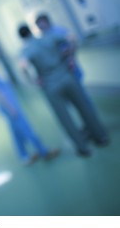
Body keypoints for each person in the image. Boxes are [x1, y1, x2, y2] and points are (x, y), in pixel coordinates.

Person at [18, 24, 109, 157]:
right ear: (31, 31)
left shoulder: (26, 49)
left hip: (50, 86)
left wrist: (33, 81)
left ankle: (83, 148)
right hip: (67, 76)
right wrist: (71, 57)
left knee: (65, 119)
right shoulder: (48, 37)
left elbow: (23, 67)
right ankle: (101, 137)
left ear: (21, 37)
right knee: (84, 108)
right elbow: (71, 37)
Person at [0, 49, 59, 165]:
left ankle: (24, 156)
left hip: (9, 105)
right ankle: (43, 152)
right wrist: (11, 108)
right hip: (9, 106)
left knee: (16, 133)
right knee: (26, 129)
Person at [35, 13, 83, 82]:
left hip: (68, 62)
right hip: (57, 68)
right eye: (38, 26)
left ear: (46, 22)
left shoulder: (58, 31)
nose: (40, 28)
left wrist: (71, 57)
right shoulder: (43, 36)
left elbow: (73, 40)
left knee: (76, 82)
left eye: (41, 25)